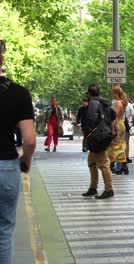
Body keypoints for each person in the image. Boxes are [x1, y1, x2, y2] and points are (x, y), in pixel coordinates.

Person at [0, 53, 36, 264]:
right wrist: (26, 160)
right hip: (5, 166)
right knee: (4, 231)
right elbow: (29, 140)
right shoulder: (18, 93)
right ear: (2, 60)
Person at [82, 84, 114, 199]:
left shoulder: (92, 104)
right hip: (104, 135)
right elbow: (113, 117)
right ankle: (93, 187)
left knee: (103, 164)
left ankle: (109, 189)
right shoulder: (104, 102)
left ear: (89, 93)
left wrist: (87, 134)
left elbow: (91, 119)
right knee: (91, 162)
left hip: (96, 138)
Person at [108, 86, 130, 175]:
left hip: (117, 125)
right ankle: (123, 166)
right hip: (122, 123)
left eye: (112, 93)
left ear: (116, 93)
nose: (111, 94)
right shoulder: (122, 102)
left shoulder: (117, 103)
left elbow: (114, 116)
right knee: (120, 145)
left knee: (113, 145)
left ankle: (112, 165)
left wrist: (112, 127)